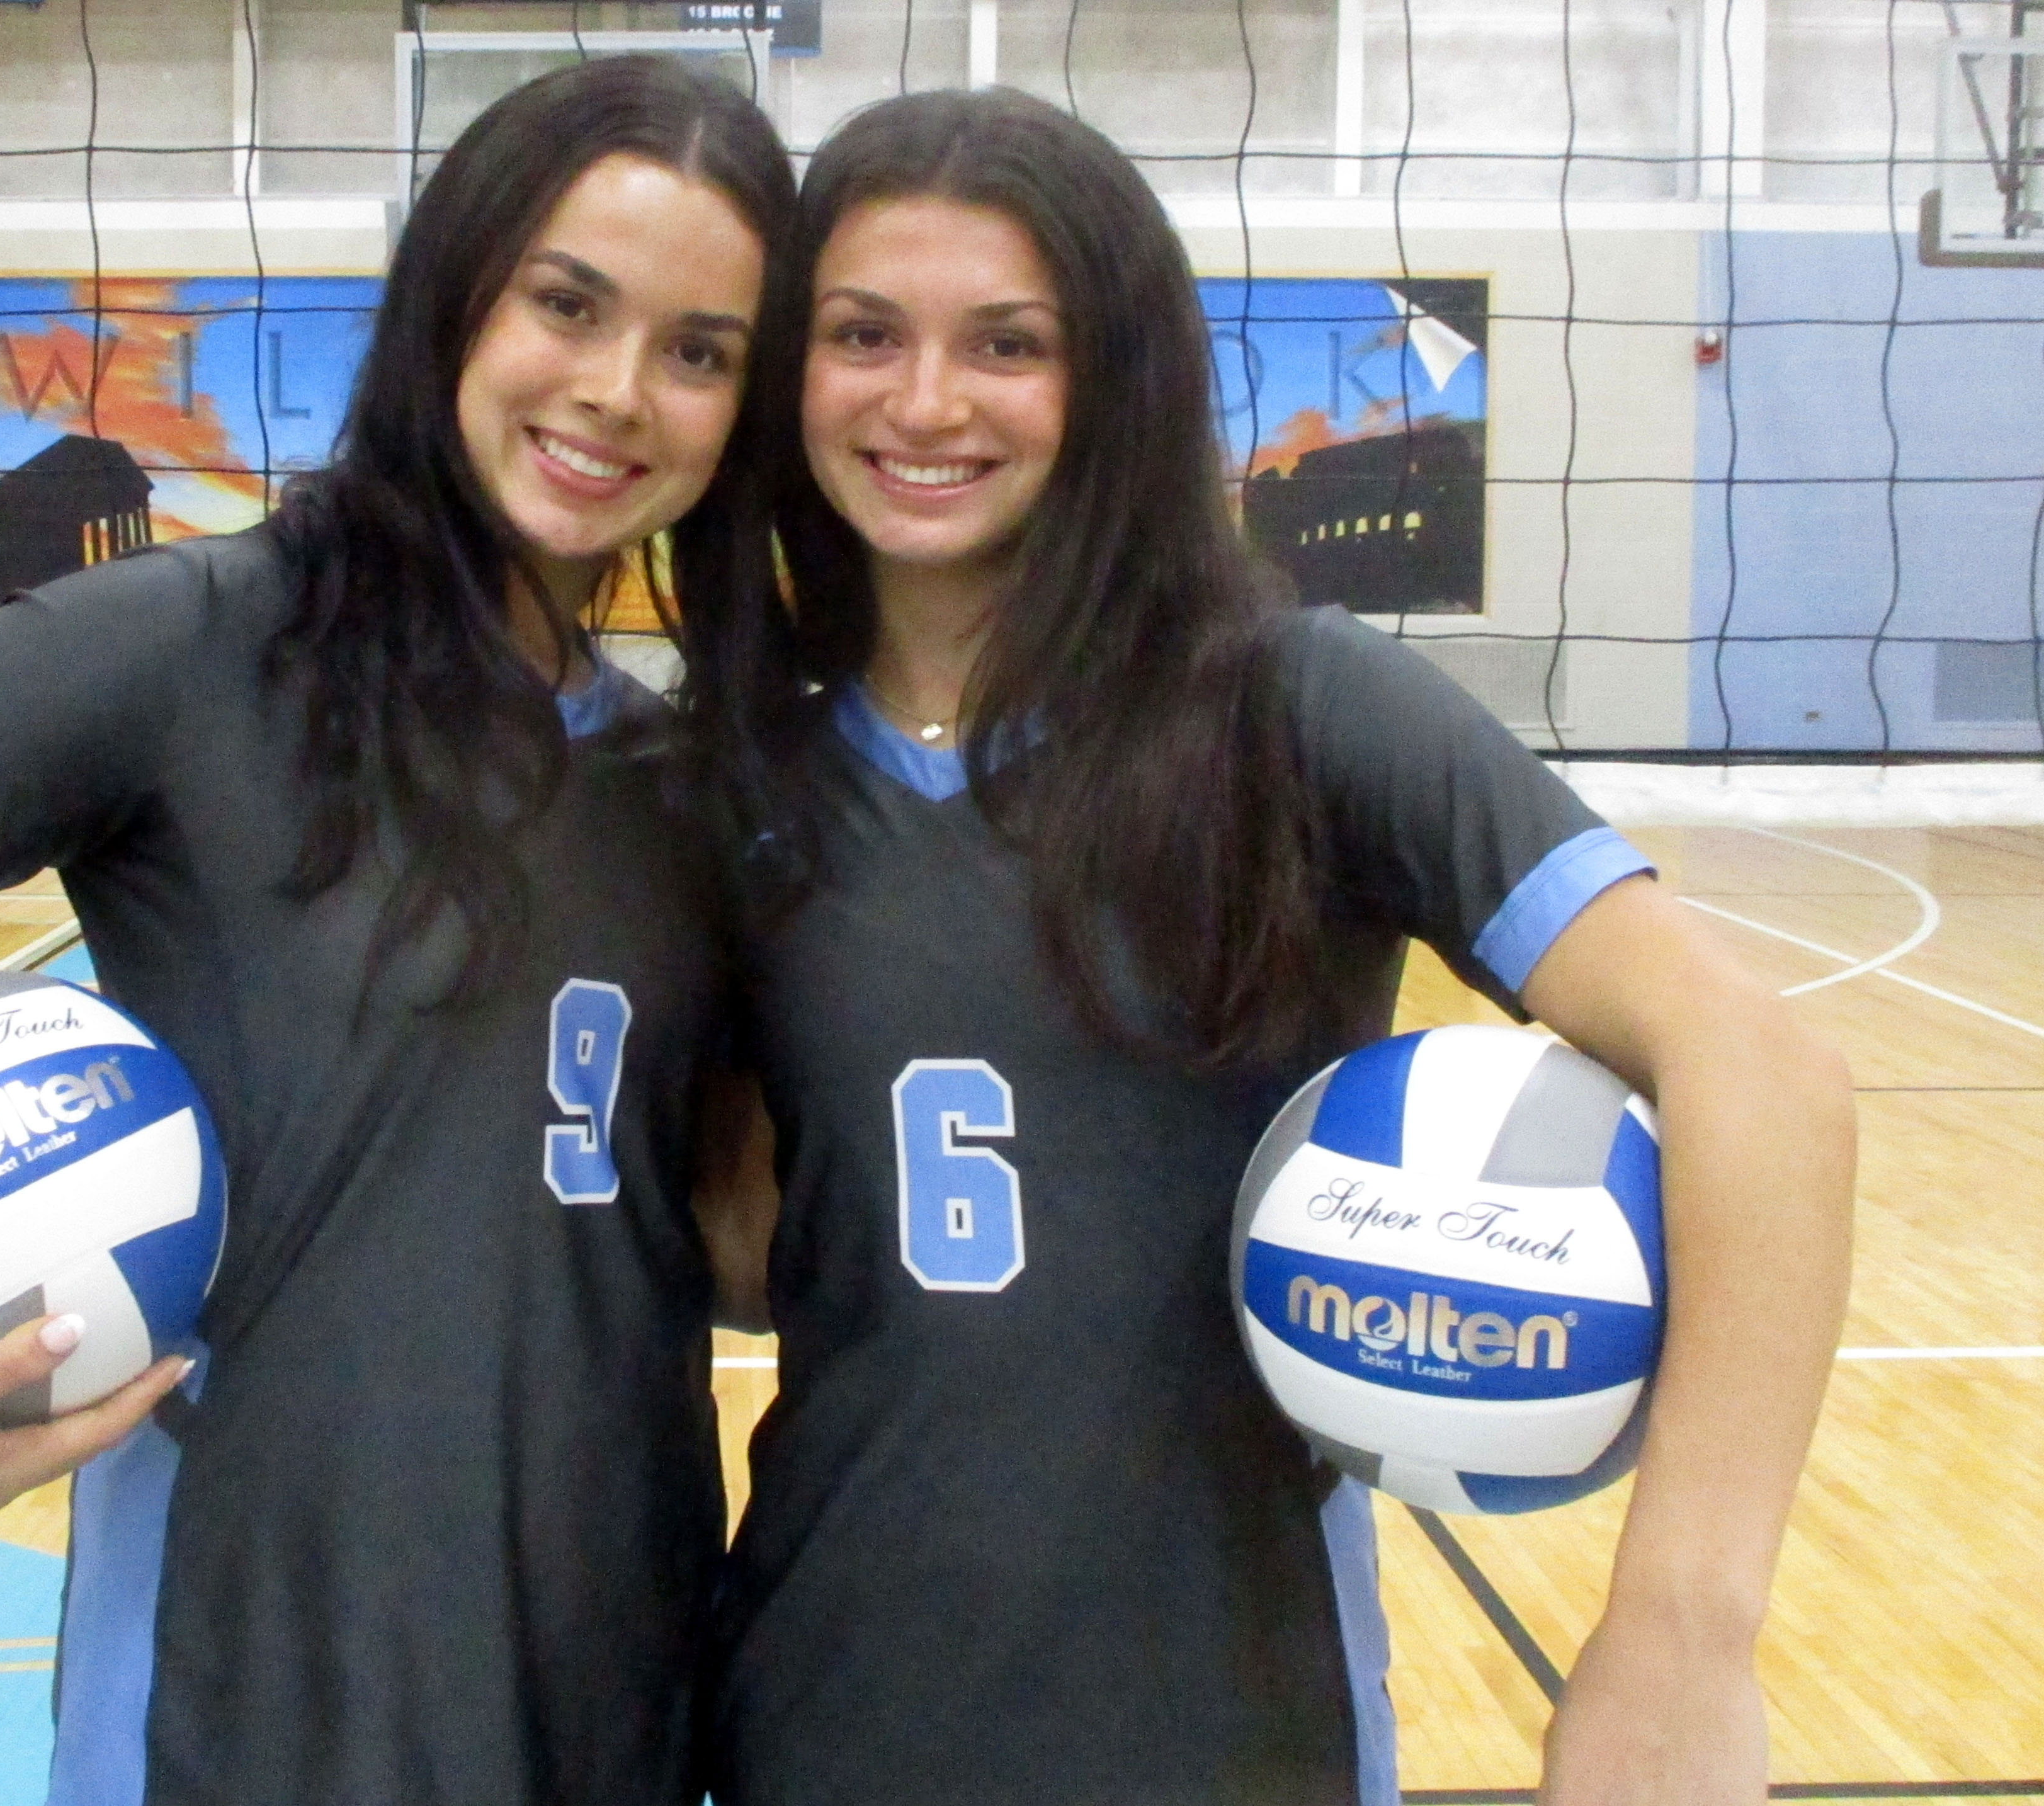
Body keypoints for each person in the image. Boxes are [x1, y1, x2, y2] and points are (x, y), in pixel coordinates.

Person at [0, 55, 794, 1806]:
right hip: (243, 1701)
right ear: (458, 290)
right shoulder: (188, 650)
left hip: (616, 1696)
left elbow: (710, 1235)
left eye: (699, 350)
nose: (615, 391)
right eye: (565, 303)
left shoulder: (688, 775)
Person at [678, 89, 1853, 1806]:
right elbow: (756, 1244)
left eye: (1008, 343)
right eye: (863, 336)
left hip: (1233, 1721)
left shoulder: (1293, 710)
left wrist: (1678, 1632)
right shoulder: (745, 777)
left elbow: (1764, 1071)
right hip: (816, 1701)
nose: (923, 401)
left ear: (1118, 381)